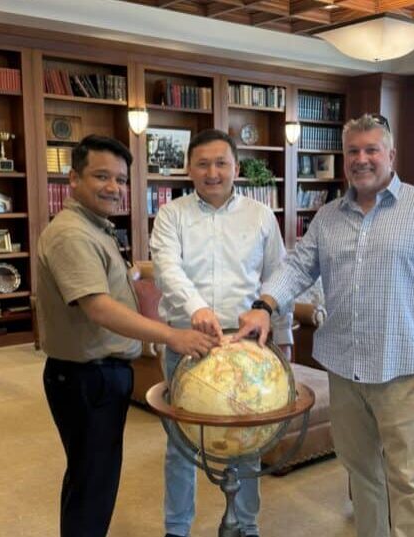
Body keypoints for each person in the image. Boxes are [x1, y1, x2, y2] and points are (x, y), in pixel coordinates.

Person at [235, 114, 414, 537]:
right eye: (353, 151)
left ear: (391, 154)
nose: (361, 159)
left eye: (371, 150)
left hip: (399, 369)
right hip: (343, 369)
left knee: (409, 479)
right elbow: (296, 267)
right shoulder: (327, 217)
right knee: (361, 474)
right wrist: (262, 305)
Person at [36, 134, 218, 537]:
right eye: (101, 176)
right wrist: (172, 335)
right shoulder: (72, 234)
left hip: (99, 374)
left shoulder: (94, 228)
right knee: (92, 485)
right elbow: (99, 308)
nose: (113, 188)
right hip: (87, 377)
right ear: (73, 178)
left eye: (120, 179)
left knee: (92, 478)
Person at [150, 128, 293, 537]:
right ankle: (176, 530)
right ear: (188, 168)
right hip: (188, 343)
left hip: (247, 346)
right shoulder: (171, 215)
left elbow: (275, 279)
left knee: (247, 447)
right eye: (203, 164)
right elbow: (167, 269)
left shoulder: (261, 216)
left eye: (221, 163)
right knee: (181, 447)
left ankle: (247, 527)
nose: (213, 172)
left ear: (236, 167)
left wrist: (283, 343)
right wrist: (197, 309)